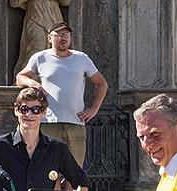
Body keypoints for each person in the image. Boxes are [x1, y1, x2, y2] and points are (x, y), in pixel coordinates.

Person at [14, 20, 108, 166]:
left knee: (75, 171)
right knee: (49, 171)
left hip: (75, 122)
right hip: (48, 122)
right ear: (49, 38)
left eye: (66, 34)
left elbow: (102, 83)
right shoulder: (40, 57)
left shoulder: (81, 58)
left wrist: (94, 109)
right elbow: (20, 77)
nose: (63, 38)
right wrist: (32, 83)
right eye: (58, 35)